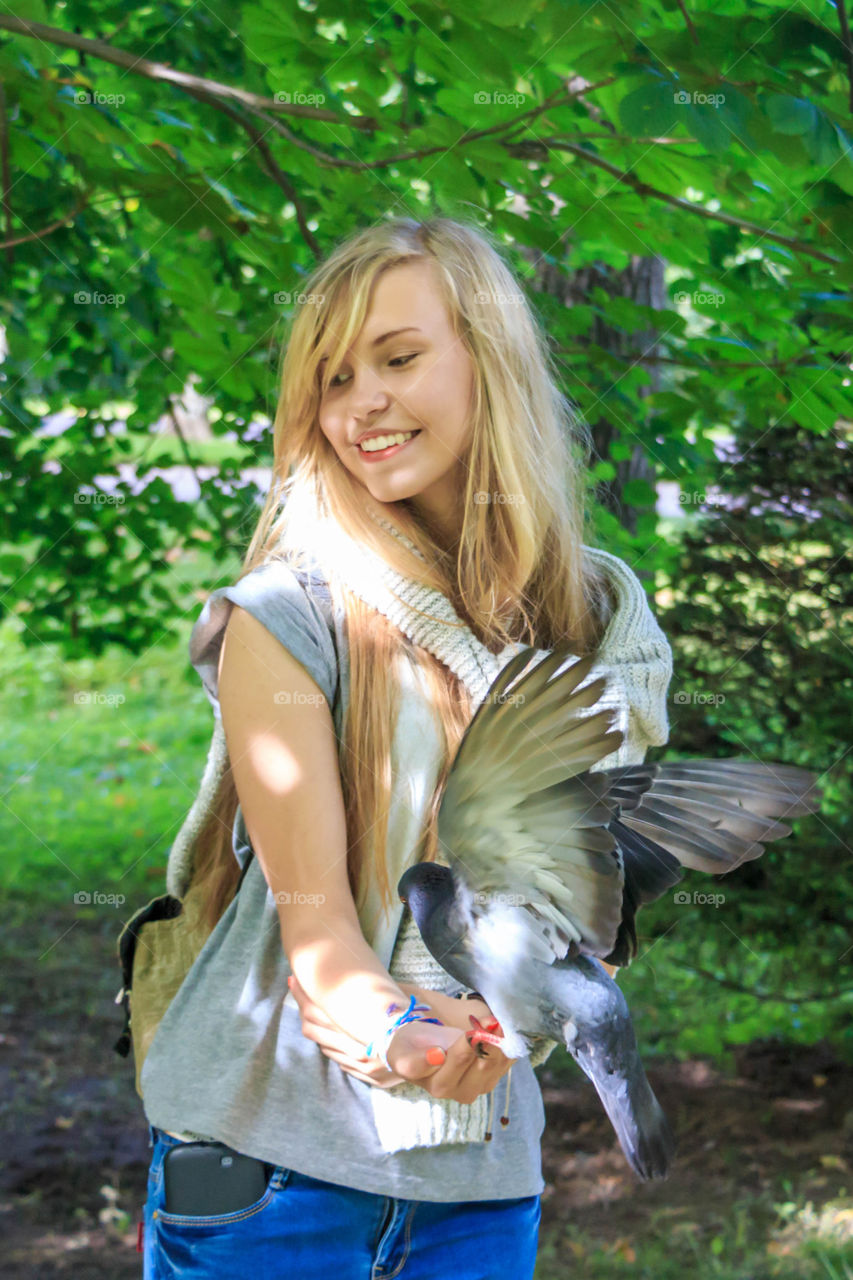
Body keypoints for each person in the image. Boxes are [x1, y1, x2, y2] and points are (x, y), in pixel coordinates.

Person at [137, 215, 673, 1278]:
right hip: (265, 1177)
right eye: (332, 378)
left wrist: (501, 1028)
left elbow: (595, 897)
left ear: (491, 359)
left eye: (398, 357)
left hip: (479, 1189)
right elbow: (316, 922)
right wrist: (399, 1035)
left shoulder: (597, 610)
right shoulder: (285, 610)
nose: (360, 403)